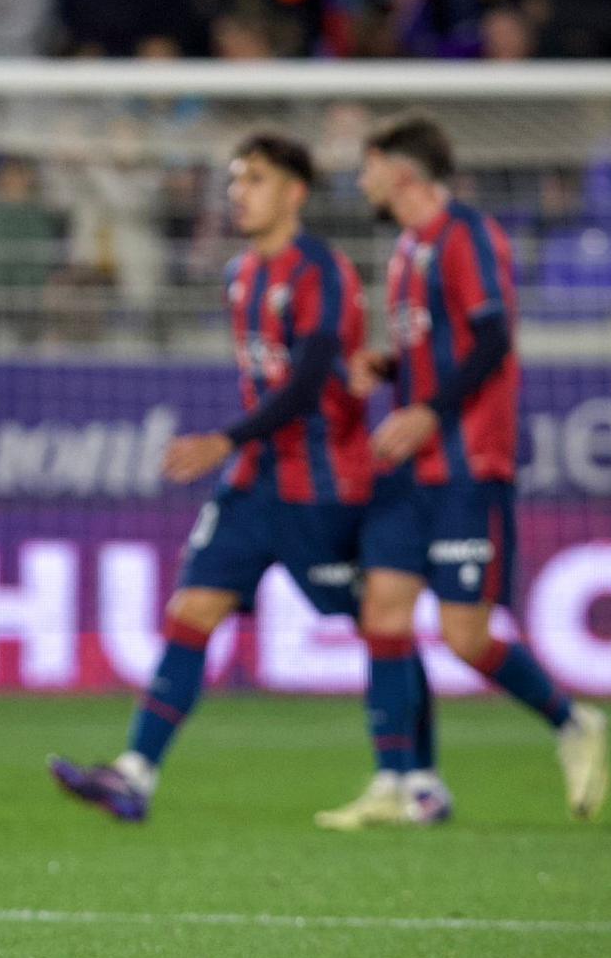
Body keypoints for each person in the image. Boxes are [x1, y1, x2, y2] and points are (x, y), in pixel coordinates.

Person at [47, 134, 449, 828]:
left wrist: (221, 440)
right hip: (255, 483)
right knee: (192, 611)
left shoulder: (321, 270)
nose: (239, 191)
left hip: (323, 487)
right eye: (235, 179)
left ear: (295, 192)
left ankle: (419, 778)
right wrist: (236, 452)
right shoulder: (240, 274)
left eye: (255, 179)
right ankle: (134, 774)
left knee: (380, 626)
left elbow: (312, 376)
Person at [337, 114, 609, 826]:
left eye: (367, 166)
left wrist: (427, 410)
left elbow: (492, 340)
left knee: (465, 638)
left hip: (467, 466)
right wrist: (388, 365)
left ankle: (572, 722)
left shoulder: (470, 236)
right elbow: (441, 348)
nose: (360, 180)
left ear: (401, 173)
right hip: (411, 471)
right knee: (383, 614)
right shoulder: (404, 252)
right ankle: (403, 783)